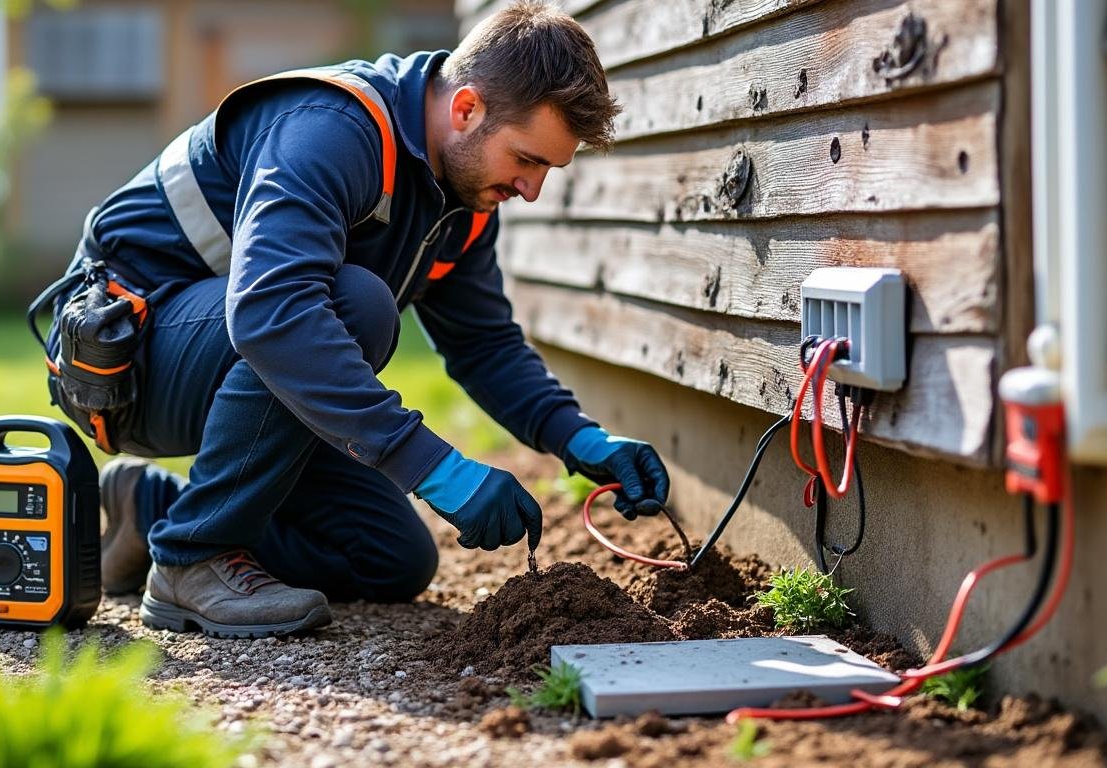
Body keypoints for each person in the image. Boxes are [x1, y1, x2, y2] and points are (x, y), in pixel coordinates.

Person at [37, 0, 671, 639]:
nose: (531, 190)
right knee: (353, 303)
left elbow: (483, 344)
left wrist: (580, 439)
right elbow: (270, 313)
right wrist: (432, 465)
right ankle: (191, 558)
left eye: (547, 171)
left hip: (242, 369)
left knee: (390, 559)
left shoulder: (466, 197)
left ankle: (151, 512)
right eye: (527, 160)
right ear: (466, 109)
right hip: (127, 360)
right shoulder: (330, 129)